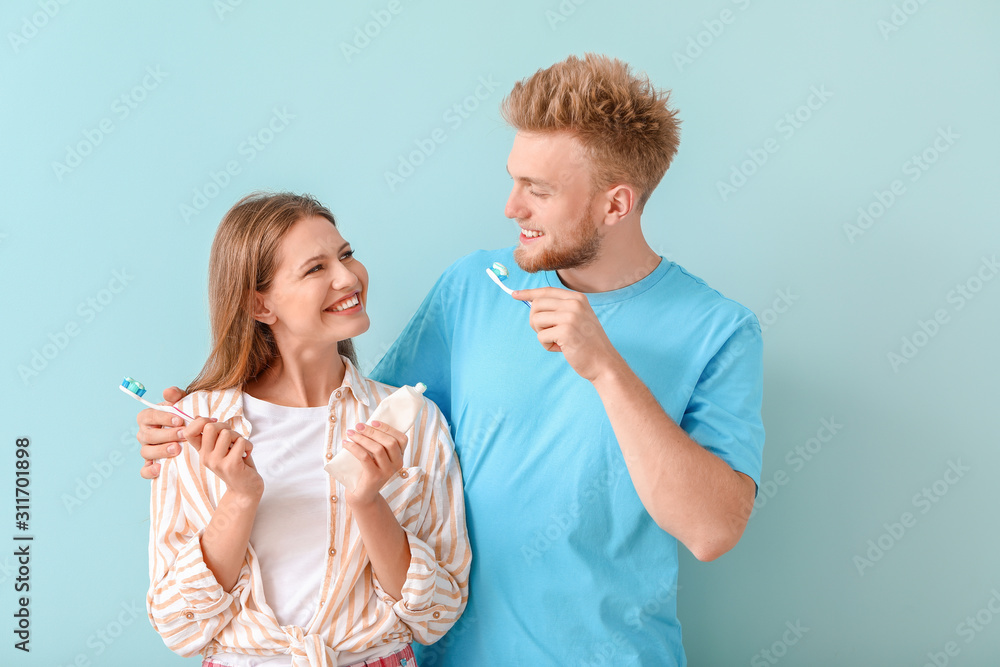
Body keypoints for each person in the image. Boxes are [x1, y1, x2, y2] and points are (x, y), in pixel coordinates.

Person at [139, 55, 764, 666]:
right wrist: (187, 423)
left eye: (538, 191)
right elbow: (347, 416)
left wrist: (605, 366)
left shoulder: (718, 330)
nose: (511, 207)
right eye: (514, 179)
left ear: (616, 205)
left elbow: (712, 531)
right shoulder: (473, 286)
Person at [145, 192, 470, 667]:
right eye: (316, 268)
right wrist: (239, 496)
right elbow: (178, 625)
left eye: (346, 255)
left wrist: (367, 501)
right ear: (260, 306)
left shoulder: (414, 420)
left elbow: (436, 613)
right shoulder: (198, 429)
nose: (348, 278)